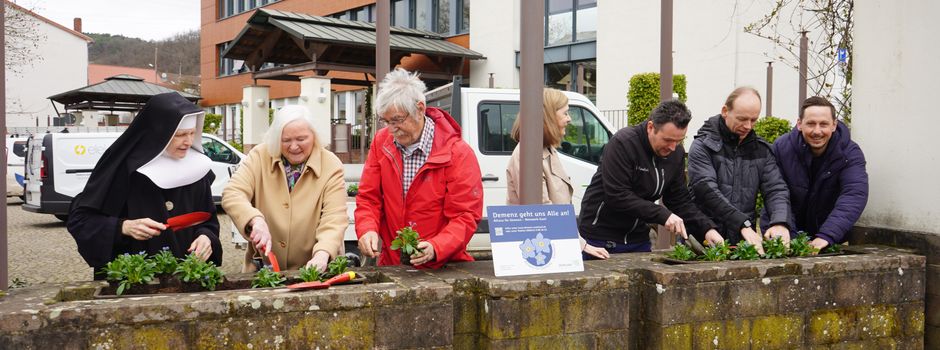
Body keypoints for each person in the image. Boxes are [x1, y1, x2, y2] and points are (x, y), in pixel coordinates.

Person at [67, 92, 222, 279]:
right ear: (159, 134)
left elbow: (208, 219)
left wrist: (206, 237)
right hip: (134, 279)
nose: (188, 142)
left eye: (192, 133)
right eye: (180, 135)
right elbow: (81, 220)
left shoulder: (197, 168)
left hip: (188, 276)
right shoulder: (123, 168)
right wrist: (123, 227)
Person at [355, 68, 483, 268]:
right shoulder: (381, 143)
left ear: (420, 108)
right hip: (394, 263)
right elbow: (368, 198)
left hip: (443, 265)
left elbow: (465, 216)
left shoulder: (457, 153)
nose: (391, 129)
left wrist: (436, 247)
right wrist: (367, 229)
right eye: (386, 121)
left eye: (397, 120)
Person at [578, 100, 719, 253]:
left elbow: (679, 199)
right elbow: (618, 195)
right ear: (651, 127)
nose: (673, 147)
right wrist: (663, 214)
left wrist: (707, 228)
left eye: (679, 141)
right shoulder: (623, 143)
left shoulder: (676, 154)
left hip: (638, 238)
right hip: (600, 236)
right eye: (668, 140)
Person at [222, 105, 347, 272]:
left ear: (314, 136)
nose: (294, 146)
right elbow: (232, 193)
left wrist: (322, 254)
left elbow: (335, 217)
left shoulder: (331, 164)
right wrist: (255, 220)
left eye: (301, 139)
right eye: (286, 140)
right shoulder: (259, 156)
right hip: (264, 268)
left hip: (315, 268)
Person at [506, 88, 609, 259]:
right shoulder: (529, 153)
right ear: (548, 117)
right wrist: (582, 245)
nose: (569, 119)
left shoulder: (545, 149)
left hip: (549, 246)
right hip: (539, 252)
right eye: (566, 113)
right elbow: (542, 211)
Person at [687, 87, 790, 253]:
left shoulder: (762, 150)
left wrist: (780, 222)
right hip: (703, 238)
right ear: (725, 111)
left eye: (754, 120)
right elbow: (706, 189)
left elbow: (775, 189)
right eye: (742, 119)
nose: (748, 126)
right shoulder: (702, 146)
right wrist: (743, 224)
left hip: (743, 243)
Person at [761, 96, 868, 250]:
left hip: (826, 234)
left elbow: (853, 195)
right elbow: (775, 193)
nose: (817, 131)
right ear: (799, 124)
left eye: (823, 124)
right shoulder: (781, 148)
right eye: (811, 124)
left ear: (834, 125)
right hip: (783, 230)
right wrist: (786, 231)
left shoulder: (850, 153)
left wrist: (827, 235)